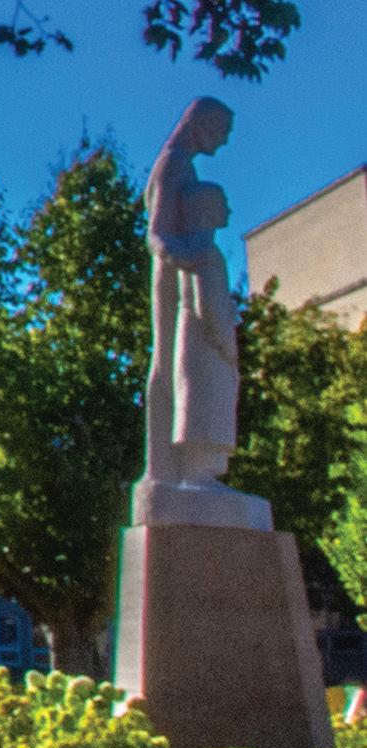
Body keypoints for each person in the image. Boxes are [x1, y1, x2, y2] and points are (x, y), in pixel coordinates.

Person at [145, 97, 233, 482]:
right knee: (169, 369)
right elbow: (157, 234)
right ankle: (167, 472)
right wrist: (198, 258)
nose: (224, 141)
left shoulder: (182, 164)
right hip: (175, 279)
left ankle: (169, 472)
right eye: (222, 131)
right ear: (202, 124)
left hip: (182, 274)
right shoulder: (174, 163)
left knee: (173, 368)